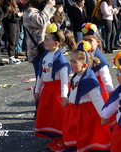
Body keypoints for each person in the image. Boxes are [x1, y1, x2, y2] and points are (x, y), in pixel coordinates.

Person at [62, 40, 111, 152]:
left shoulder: (89, 80)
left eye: (74, 62)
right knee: (75, 134)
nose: (71, 64)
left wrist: (104, 115)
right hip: (75, 112)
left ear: (84, 65)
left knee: (87, 137)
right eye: (71, 61)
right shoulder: (76, 75)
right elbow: (74, 90)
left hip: (86, 115)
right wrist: (68, 99)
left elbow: (97, 100)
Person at [34, 23, 71, 152]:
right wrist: (37, 90)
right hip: (47, 90)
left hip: (56, 91)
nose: (45, 42)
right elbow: (41, 74)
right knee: (49, 116)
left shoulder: (60, 60)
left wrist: (64, 96)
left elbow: (64, 80)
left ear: (56, 43)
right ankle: (55, 139)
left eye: (48, 40)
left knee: (58, 116)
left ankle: (63, 139)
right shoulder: (45, 56)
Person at [82, 22, 114, 101]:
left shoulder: (100, 60)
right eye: (85, 40)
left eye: (90, 41)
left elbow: (106, 77)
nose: (87, 43)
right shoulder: (82, 54)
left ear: (98, 42)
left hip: (97, 88)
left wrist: (110, 91)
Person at [2, 0, 22, 65]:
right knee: (12, 40)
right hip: (11, 24)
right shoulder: (6, 2)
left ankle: (13, 56)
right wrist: (16, 15)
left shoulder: (14, 1)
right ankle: (11, 57)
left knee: (16, 40)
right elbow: (6, 16)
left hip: (16, 22)